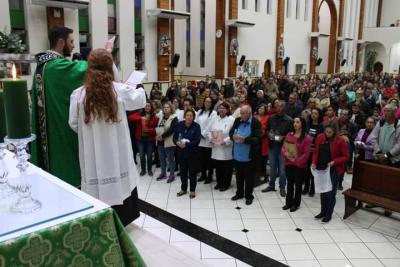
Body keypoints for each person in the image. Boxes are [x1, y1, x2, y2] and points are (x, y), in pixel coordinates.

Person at [69, 49, 146, 226]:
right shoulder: (119, 91)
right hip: (117, 156)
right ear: (111, 68)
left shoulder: (78, 95)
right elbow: (140, 99)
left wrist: (91, 135)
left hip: (93, 158)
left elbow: (73, 124)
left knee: (97, 196)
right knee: (121, 191)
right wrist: (137, 85)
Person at [31, 26, 89, 187]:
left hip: (48, 132)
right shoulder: (56, 66)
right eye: (71, 42)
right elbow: (85, 69)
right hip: (59, 134)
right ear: (61, 42)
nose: (73, 46)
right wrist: (104, 54)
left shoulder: (43, 66)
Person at [312, 121, 349, 223]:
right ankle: (322, 212)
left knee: (330, 193)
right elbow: (316, 152)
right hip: (321, 168)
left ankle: (329, 214)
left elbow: (346, 157)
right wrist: (314, 163)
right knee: (323, 191)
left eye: (330, 132)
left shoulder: (340, 141)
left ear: (335, 132)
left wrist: (334, 162)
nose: (328, 134)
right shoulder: (320, 137)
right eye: (326, 131)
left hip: (334, 170)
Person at [230, 105, 262, 205]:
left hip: (249, 156)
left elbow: (258, 139)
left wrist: (245, 140)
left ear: (249, 113)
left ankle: (249, 196)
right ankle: (239, 193)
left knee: (249, 178)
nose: (242, 115)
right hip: (237, 155)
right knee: (238, 176)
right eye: (241, 113)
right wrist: (232, 137)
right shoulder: (237, 121)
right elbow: (231, 132)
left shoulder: (255, 123)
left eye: (244, 113)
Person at [262, 100, 293, 197]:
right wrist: (269, 134)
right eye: (278, 106)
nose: (279, 108)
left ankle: (282, 188)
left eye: (281, 106)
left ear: (285, 108)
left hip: (283, 148)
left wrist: (283, 138)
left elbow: (292, 135)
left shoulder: (289, 120)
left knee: (282, 170)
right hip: (272, 146)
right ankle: (271, 185)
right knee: (272, 168)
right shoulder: (271, 118)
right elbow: (266, 130)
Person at [281, 117, 312, 212]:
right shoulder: (289, 135)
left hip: (299, 165)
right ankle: (288, 202)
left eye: (297, 122)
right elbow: (283, 147)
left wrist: (295, 161)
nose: (295, 124)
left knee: (298, 185)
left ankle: (296, 204)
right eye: (294, 122)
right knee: (289, 183)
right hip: (288, 163)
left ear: (302, 124)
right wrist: (285, 153)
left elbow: (306, 154)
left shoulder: (307, 138)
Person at [174, 109, 201, 198]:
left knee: (192, 173)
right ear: (184, 116)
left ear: (193, 117)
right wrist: (177, 143)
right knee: (183, 172)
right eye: (187, 115)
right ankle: (183, 189)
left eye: (191, 116)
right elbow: (174, 138)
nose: (189, 117)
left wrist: (186, 144)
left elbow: (197, 141)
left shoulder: (196, 126)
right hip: (181, 153)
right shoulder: (179, 125)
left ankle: (192, 190)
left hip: (192, 154)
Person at [208, 102, 235, 191]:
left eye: (223, 108)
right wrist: (210, 138)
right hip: (216, 147)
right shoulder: (215, 118)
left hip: (226, 148)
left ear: (227, 110)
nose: (221, 110)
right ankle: (219, 182)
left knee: (226, 168)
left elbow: (233, 133)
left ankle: (226, 184)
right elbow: (209, 131)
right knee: (218, 166)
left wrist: (226, 141)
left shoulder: (231, 119)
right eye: (220, 108)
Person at [128, 101, 159, 176]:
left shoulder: (154, 116)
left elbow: (156, 129)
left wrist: (148, 130)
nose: (147, 107)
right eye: (146, 106)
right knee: (141, 155)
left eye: (149, 106)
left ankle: (149, 170)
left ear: (151, 107)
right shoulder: (140, 114)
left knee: (149, 156)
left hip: (150, 139)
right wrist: (140, 118)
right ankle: (143, 170)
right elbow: (130, 117)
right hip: (140, 139)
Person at [195, 97, 217, 183]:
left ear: (211, 103)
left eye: (209, 102)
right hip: (200, 139)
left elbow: (211, 125)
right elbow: (196, 123)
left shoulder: (214, 113)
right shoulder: (200, 111)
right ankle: (203, 174)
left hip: (208, 139)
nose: (207, 103)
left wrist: (203, 134)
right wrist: (198, 133)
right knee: (201, 159)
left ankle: (209, 176)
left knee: (209, 160)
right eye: (206, 101)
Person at [156, 102, 178, 182]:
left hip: (169, 142)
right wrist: (158, 135)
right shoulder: (161, 117)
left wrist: (162, 136)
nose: (165, 108)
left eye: (167, 107)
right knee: (161, 159)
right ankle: (163, 173)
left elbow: (172, 130)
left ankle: (172, 175)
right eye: (164, 107)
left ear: (171, 108)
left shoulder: (174, 118)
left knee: (170, 159)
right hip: (160, 142)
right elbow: (158, 127)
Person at [303, 108, 324, 196]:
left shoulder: (322, 126)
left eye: (315, 113)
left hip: (316, 151)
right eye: (312, 113)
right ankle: (306, 188)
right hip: (307, 150)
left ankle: (312, 188)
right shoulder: (307, 124)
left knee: (313, 170)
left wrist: (314, 146)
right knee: (306, 170)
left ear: (319, 115)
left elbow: (322, 139)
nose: (313, 115)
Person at [255, 104, 270, 181]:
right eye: (259, 108)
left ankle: (263, 173)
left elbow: (267, 129)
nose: (260, 110)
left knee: (263, 158)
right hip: (256, 140)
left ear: (265, 110)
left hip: (264, 140)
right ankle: (256, 173)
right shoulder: (255, 117)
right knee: (256, 157)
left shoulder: (267, 118)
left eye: (262, 108)